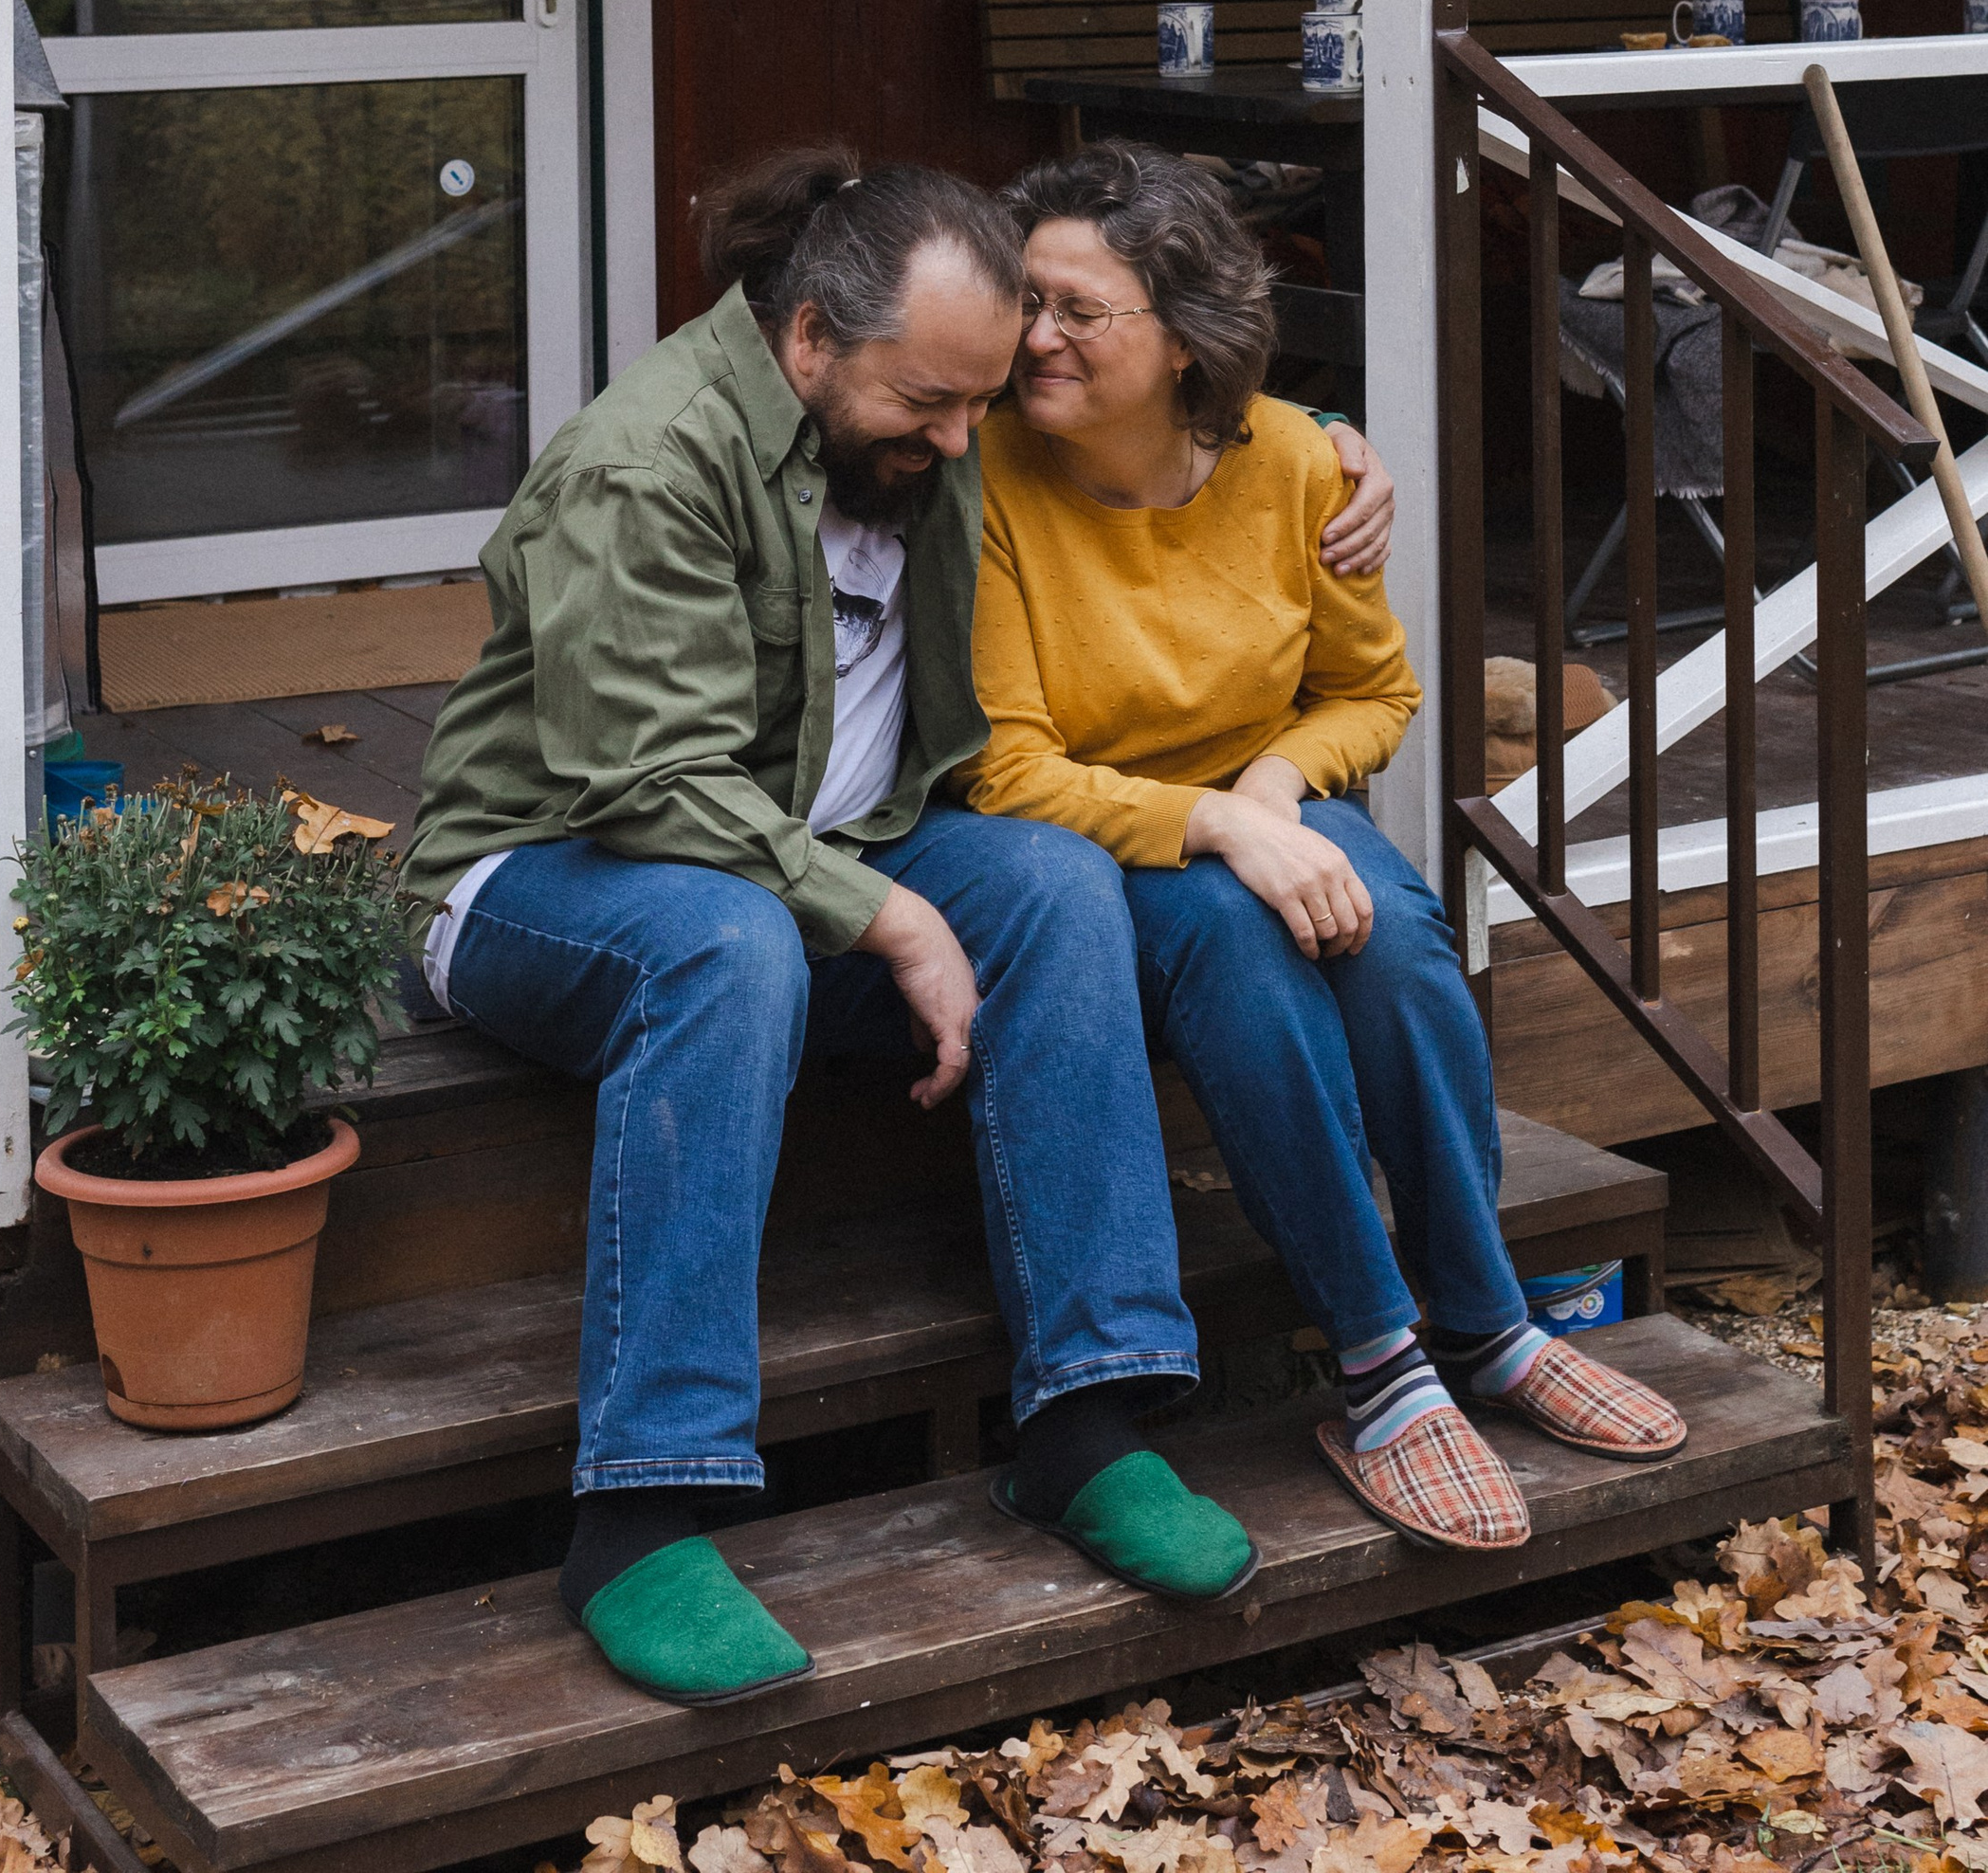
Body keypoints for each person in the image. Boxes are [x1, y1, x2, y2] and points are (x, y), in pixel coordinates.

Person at [401, 146, 1261, 1712]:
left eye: (977, 404)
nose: (959, 440)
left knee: (1057, 884)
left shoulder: (935, 426)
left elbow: (1164, 424)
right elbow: (639, 779)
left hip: (807, 871)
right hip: (540, 876)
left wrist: (1330, 446)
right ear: (808, 339)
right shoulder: (647, 461)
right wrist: (893, 921)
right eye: (927, 405)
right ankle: (641, 1508)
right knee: (722, 940)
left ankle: (1087, 1418)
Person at [962, 137, 1686, 1558]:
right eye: (1023, 300)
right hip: (1097, 837)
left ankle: (1483, 1323)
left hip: (1265, 801)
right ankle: (1377, 1362)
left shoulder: (1297, 464)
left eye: (1078, 311)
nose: (1035, 336)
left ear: (1186, 340)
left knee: (1398, 940)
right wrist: (1222, 824)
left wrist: (1280, 788)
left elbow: (1376, 692)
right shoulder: (983, 477)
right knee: (1244, 946)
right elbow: (1004, 765)